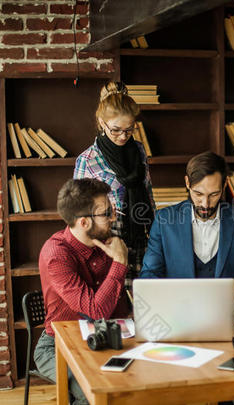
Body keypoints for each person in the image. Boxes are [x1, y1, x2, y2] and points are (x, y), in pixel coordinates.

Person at [140, 151, 234, 324]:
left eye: (214, 194)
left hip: (230, 322)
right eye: (198, 194)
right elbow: (149, 274)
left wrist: (232, 303)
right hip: (177, 320)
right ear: (187, 183)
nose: (205, 204)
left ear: (225, 184)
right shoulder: (164, 221)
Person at [34, 178, 129, 405]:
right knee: (93, 394)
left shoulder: (104, 242)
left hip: (102, 336)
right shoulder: (56, 254)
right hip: (59, 345)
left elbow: (117, 307)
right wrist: (120, 261)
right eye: (107, 213)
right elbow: (96, 310)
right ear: (85, 222)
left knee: (134, 385)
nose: (114, 217)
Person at [74, 80, 155, 292]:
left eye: (129, 130)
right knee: (114, 302)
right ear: (102, 122)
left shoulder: (138, 150)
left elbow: (148, 192)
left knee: (143, 300)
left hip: (141, 232)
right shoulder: (88, 160)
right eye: (116, 130)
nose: (123, 136)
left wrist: (155, 231)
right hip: (107, 237)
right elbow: (77, 212)